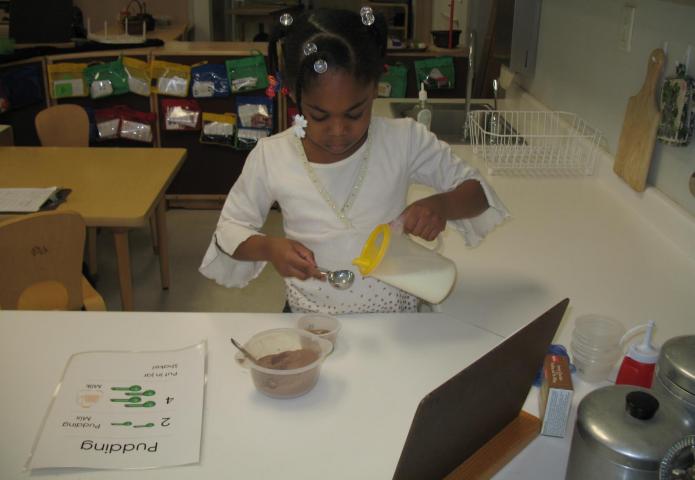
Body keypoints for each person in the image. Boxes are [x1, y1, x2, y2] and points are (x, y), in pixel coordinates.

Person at [200, 8, 509, 314]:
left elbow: (479, 192)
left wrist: (440, 206)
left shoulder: (404, 141)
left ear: (375, 89)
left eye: (355, 113)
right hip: (311, 323)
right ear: (294, 96)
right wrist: (270, 248)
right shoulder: (272, 156)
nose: (338, 131)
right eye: (319, 116)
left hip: (395, 321)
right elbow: (229, 230)